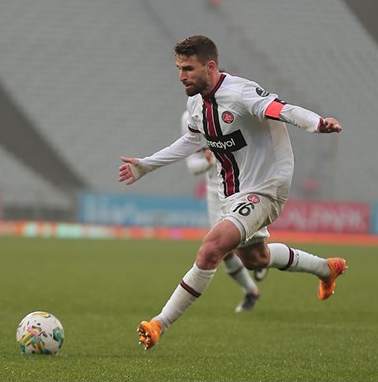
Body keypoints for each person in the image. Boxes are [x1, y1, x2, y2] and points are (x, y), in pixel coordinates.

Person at [118, 35, 347, 350]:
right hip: (234, 193)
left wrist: (317, 123)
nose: (181, 76)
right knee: (256, 259)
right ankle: (326, 268)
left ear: (210, 67)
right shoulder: (197, 103)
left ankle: (159, 323)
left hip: (266, 187)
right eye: (178, 68)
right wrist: (146, 165)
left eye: (188, 68)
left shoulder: (240, 93)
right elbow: (191, 141)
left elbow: (282, 109)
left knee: (211, 248)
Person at [181, 110, 268, 313]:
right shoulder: (189, 117)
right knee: (222, 250)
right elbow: (192, 165)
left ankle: (265, 253)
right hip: (215, 191)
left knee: (251, 252)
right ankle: (251, 291)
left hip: (242, 185)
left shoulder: (234, 110)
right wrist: (209, 161)